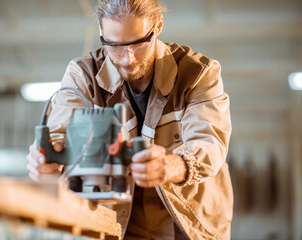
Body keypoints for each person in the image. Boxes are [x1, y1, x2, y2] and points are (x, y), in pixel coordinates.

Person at [26, 0, 233, 239]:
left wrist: (174, 166)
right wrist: (48, 160)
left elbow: (210, 142)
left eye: (138, 44)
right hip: (117, 223)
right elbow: (59, 133)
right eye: (115, 46)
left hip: (188, 222)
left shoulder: (198, 74)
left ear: (158, 26)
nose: (128, 59)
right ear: (102, 32)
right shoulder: (82, 75)